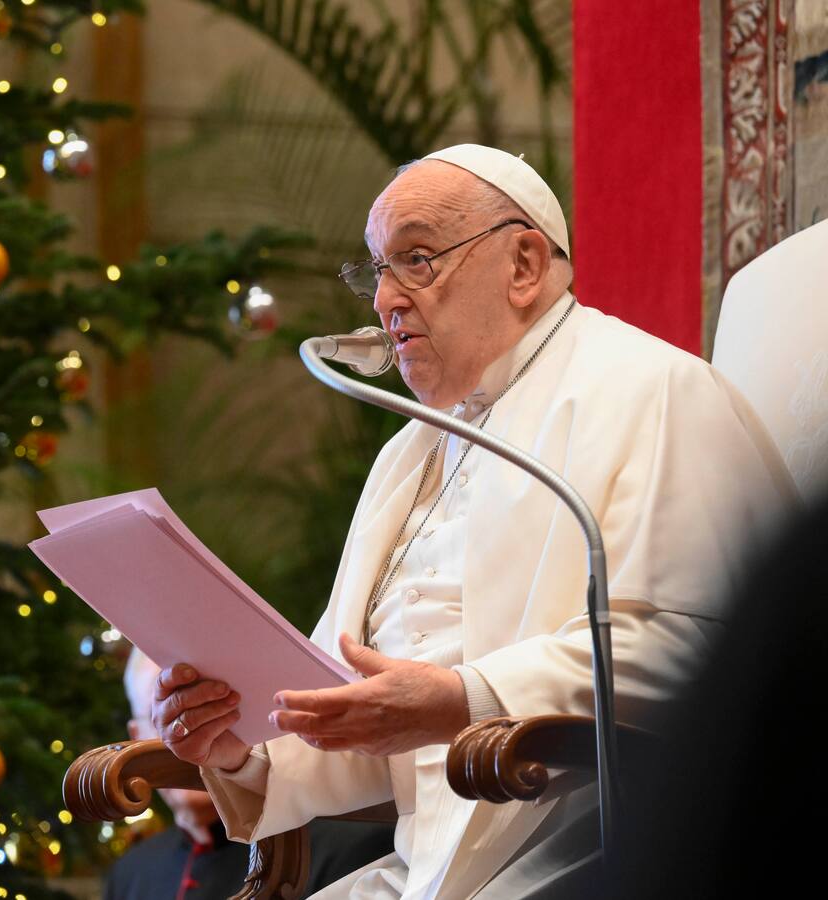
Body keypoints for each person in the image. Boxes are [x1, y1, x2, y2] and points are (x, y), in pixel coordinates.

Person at [148, 144, 797, 899]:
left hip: (601, 847)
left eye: (416, 259)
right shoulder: (410, 452)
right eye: (376, 270)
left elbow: (711, 651)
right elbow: (356, 713)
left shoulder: (657, 392)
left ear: (524, 265)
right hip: (425, 869)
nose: (384, 299)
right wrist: (236, 746)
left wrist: (467, 698)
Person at [105, 648, 395, 900]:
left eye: (203, 709)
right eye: (164, 717)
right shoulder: (130, 872)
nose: (187, 738)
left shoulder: (348, 848)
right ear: (136, 736)